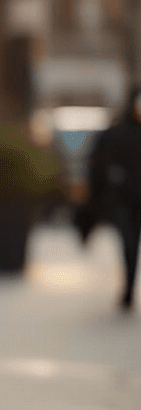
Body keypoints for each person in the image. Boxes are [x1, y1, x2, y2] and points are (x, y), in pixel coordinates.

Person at [83, 86, 141, 309]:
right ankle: (128, 288)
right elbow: (98, 167)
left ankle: (128, 288)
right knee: (129, 244)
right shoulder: (115, 134)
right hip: (124, 200)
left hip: (127, 198)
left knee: (130, 244)